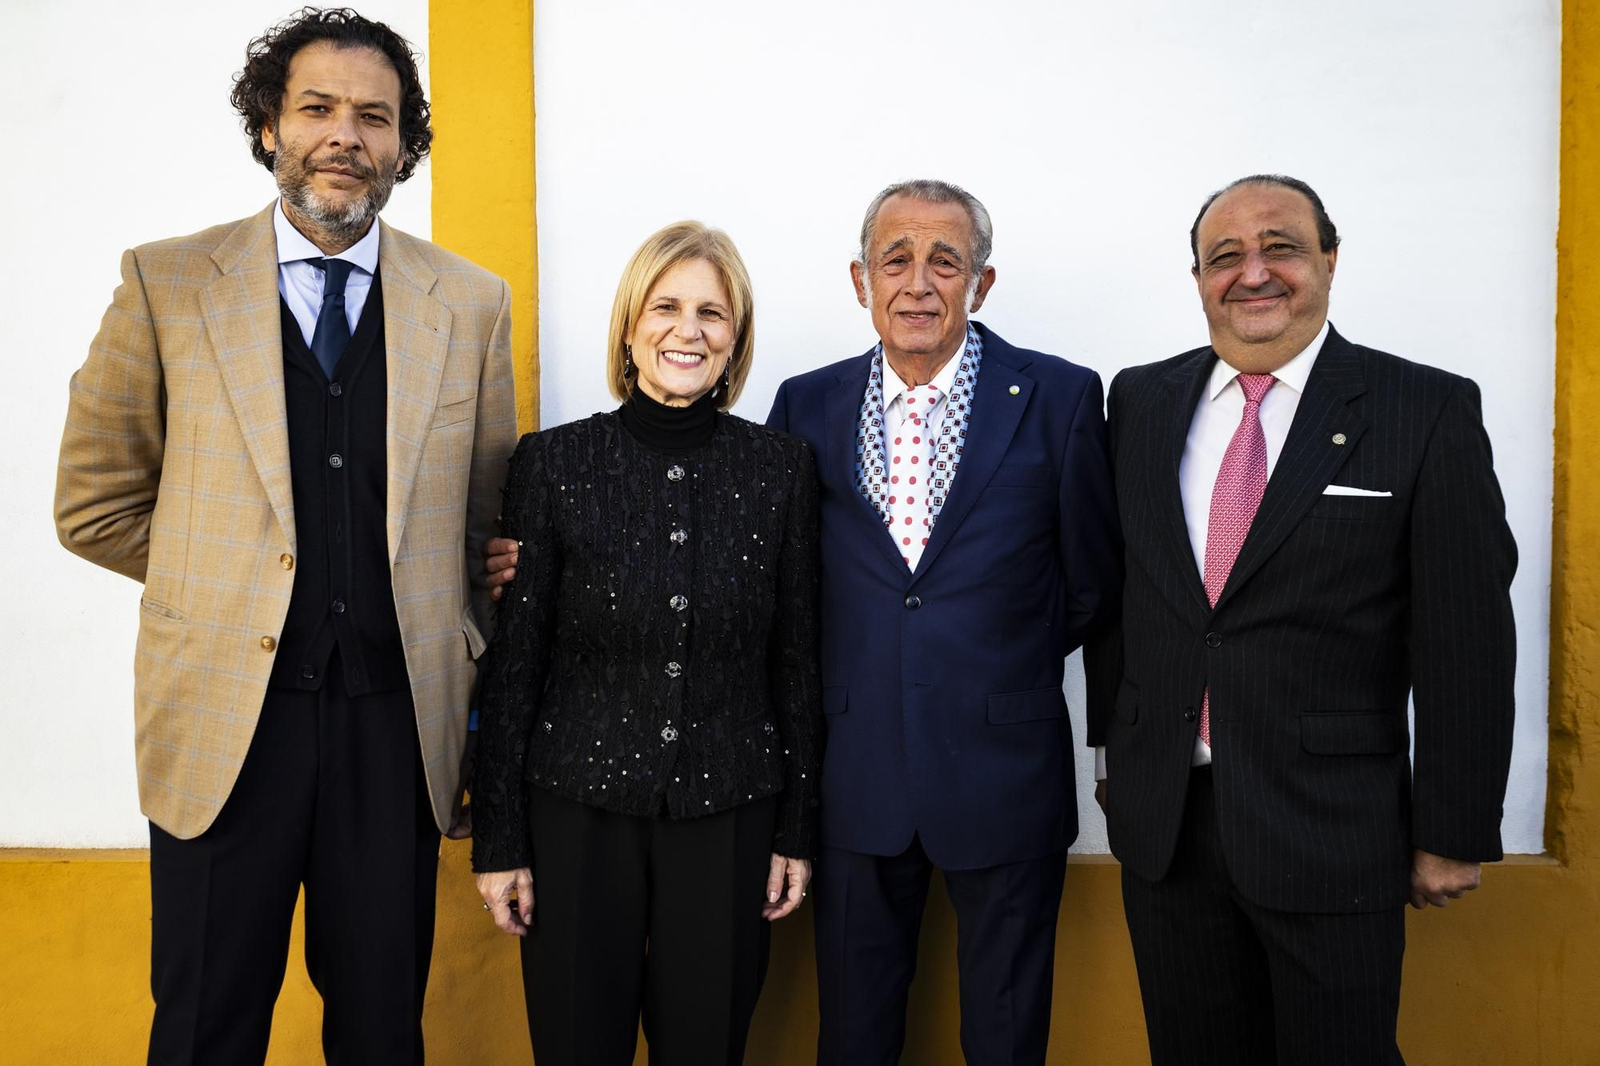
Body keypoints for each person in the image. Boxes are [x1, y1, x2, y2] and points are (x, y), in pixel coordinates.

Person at [53, 9, 516, 1062]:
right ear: (269, 127)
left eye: (374, 117)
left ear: (404, 146)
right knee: (207, 1021)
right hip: (225, 725)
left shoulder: (472, 304)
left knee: (380, 1026)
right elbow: (92, 504)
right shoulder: (165, 284)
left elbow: (487, 520)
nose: (344, 135)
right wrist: (232, 582)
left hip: (397, 730)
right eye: (316, 109)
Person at [1085, 174, 1517, 1065]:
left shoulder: (1424, 409)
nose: (1253, 273)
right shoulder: (1138, 402)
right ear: (1198, 278)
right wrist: (1111, 752)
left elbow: (1466, 636)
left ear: (1328, 258)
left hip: (1330, 826)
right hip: (1168, 825)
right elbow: (1120, 595)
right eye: (1224, 257)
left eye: (1279, 245)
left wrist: (1454, 829)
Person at [778, 179, 1120, 1065]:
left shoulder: (1061, 397)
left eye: (946, 261)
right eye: (896, 260)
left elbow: (1089, 583)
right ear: (861, 281)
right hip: (853, 774)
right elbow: (780, 579)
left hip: (1005, 771)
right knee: (853, 1032)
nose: (919, 282)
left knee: (1006, 1035)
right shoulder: (805, 405)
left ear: (984, 281)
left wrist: (990, 670)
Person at [471, 221, 823, 1066]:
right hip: (574, 816)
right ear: (630, 328)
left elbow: (798, 659)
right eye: (666, 306)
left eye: (713, 312)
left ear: (735, 338)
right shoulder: (553, 463)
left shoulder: (781, 469)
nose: (688, 330)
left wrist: (798, 828)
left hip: (731, 814)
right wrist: (502, 840)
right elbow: (516, 666)